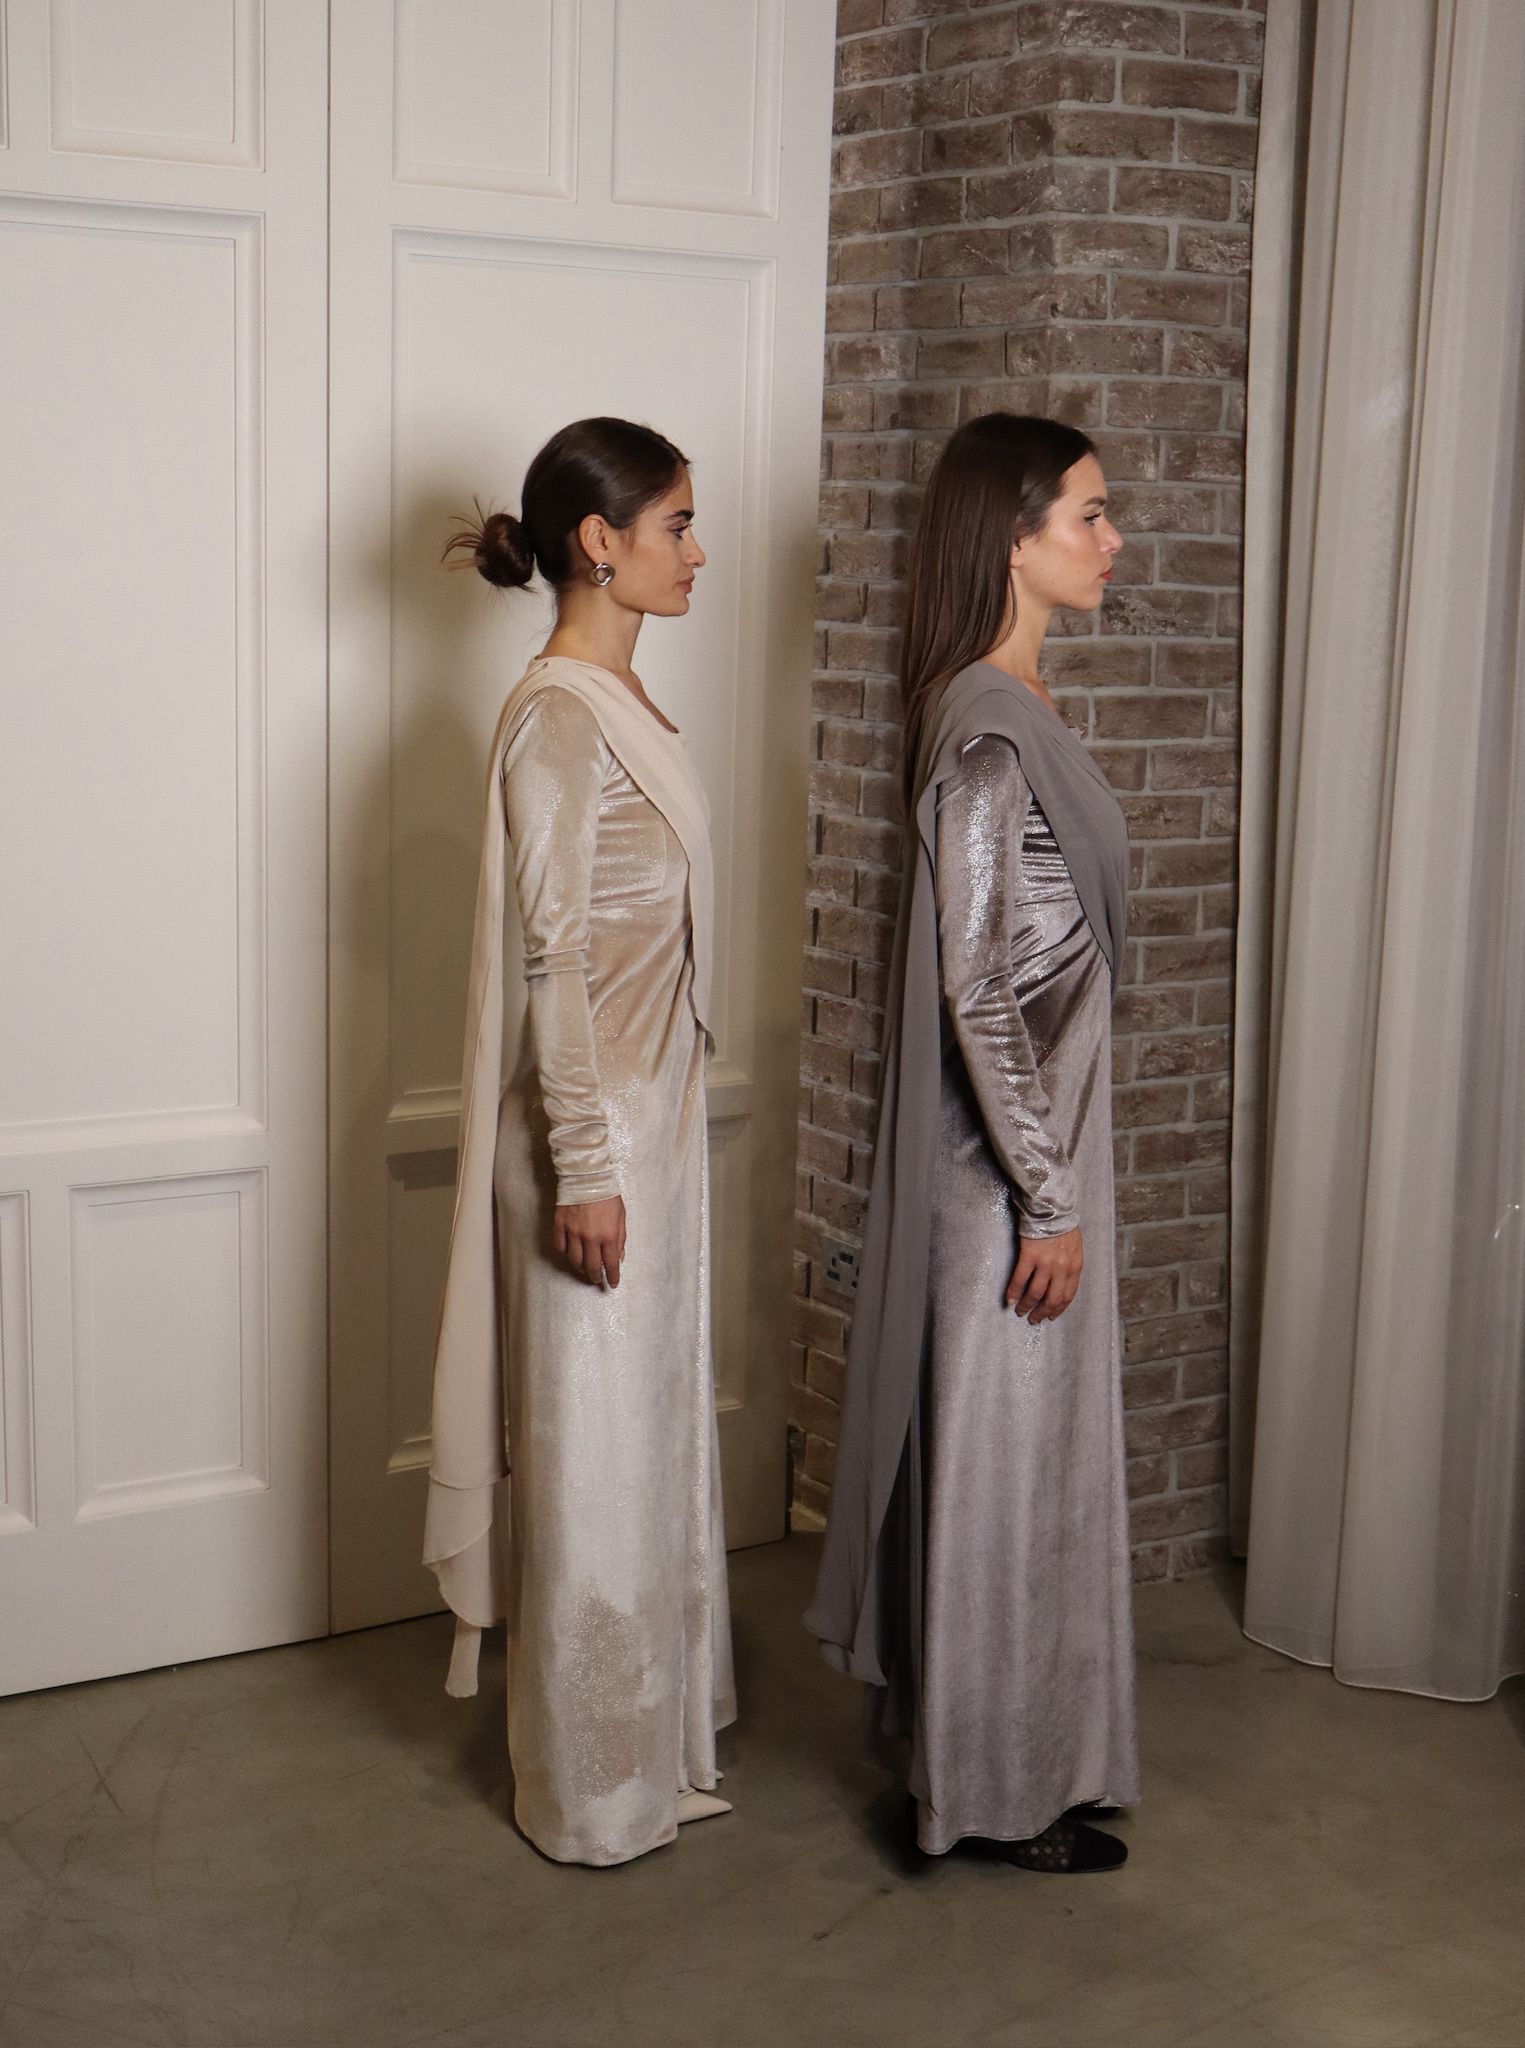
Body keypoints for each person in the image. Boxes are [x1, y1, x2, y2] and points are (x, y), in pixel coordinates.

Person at [806, 412, 1142, 1873]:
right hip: (1006, 1182)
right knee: (1002, 1489)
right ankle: (989, 1795)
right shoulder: (990, 734)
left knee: (1027, 1479)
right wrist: (1048, 1201)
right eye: (1088, 514)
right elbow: (978, 989)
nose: (1112, 538)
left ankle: (1019, 1758)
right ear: (1012, 536)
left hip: (1032, 1162)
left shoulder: (1007, 707)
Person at [425, 416, 735, 1868]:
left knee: (641, 1453)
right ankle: (593, 1795)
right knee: (594, 1477)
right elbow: (551, 959)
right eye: (676, 524)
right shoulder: (558, 713)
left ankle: (650, 1753)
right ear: (600, 543)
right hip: (589, 1143)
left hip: (650, 1132)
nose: (698, 551)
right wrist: (588, 1170)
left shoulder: (622, 702)